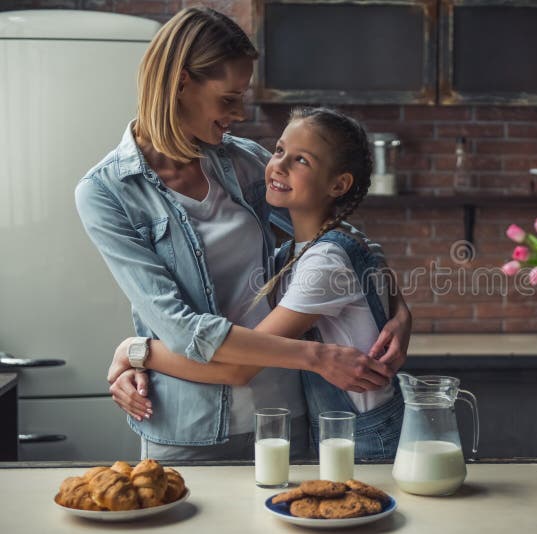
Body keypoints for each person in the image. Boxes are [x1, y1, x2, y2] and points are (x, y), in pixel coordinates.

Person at [74, 7, 411, 461]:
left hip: (285, 416)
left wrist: (400, 310)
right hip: (187, 430)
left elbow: (334, 242)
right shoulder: (107, 192)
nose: (239, 112)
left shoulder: (244, 162)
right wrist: (316, 357)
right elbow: (182, 330)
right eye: (229, 98)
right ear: (181, 82)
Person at [109, 108, 404, 459]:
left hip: (365, 439)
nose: (278, 166)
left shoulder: (323, 263)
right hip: (339, 431)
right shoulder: (293, 255)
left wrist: (133, 350)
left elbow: (238, 366)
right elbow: (366, 253)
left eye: (302, 161)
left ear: (338, 185)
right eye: (279, 150)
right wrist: (402, 312)